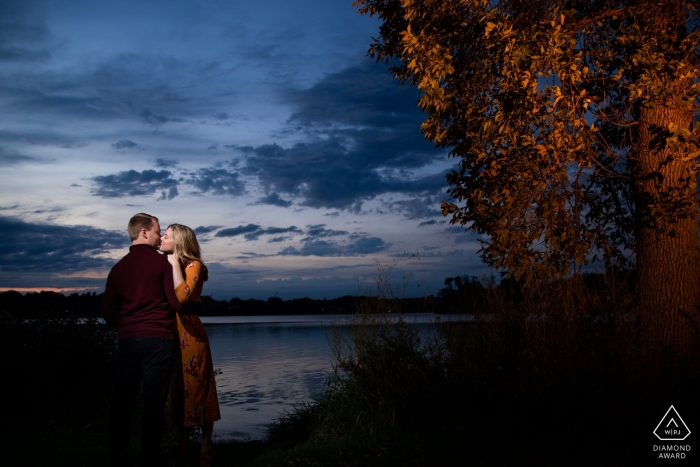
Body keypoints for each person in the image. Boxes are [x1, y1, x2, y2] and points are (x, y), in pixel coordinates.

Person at [102, 213, 183, 467]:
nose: (160, 238)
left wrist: (127, 325)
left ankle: (118, 454)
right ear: (145, 232)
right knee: (154, 403)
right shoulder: (162, 265)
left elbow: (107, 311)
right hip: (158, 340)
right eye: (158, 232)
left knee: (123, 399)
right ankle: (150, 458)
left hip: (128, 340)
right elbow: (174, 302)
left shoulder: (118, 268)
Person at [159, 223, 221, 467]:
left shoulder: (193, 265)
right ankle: (183, 446)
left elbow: (184, 296)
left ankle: (206, 443)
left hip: (192, 337)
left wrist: (174, 264)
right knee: (180, 392)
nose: (162, 238)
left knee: (199, 387)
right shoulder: (162, 264)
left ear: (179, 242)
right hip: (172, 336)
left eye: (166, 236)